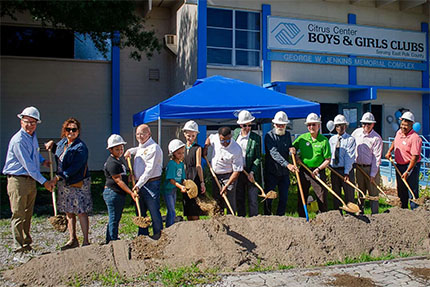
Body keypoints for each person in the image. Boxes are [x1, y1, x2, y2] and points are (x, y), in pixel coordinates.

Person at [3, 107, 55, 262]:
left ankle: (26, 244)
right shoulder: (18, 140)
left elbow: (34, 154)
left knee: (27, 213)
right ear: (21, 121)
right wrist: (45, 182)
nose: (30, 125)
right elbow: (28, 165)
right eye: (27, 122)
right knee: (18, 214)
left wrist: (42, 161)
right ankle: (18, 249)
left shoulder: (31, 136)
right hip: (18, 180)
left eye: (33, 122)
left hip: (30, 180)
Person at [45, 117, 92, 250]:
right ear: (64, 130)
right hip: (63, 182)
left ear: (78, 131)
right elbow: (60, 154)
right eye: (68, 129)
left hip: (77, 182)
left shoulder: (81, 147)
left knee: (81, 210)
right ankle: (73, 239)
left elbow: (75, 167)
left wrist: (58, 177)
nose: (71, 132)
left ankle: (86, 241)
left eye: (74, 130)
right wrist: (52, 144)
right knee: (69, 211)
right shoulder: (62, 143)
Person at [125, 124, 163, 239]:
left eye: (142, 133)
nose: (140, 136)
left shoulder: (154, 148)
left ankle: (159, 235)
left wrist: (138, 184)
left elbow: (149, 170)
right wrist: (130, 151)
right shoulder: (142, 146)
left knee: (153, 210)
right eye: (137, 134)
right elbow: (140, 149)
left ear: (149, 134)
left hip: (151, 183)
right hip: (139, 183)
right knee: (140, 211)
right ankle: (143, 235)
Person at [292, 113, 331, 217]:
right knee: (302, 195)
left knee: (321, 195)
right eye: (309, 125)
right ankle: (302, 218)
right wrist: (296, 156)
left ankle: (324, 217)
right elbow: (292, 149)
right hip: (304, 170)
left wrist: (318, 168)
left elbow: (327, 160)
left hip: (318, 171)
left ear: (318, 125)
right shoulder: (302, 138)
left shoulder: (324, 140)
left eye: (313, 124)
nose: (311, 127)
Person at [103, 134, 139, 244]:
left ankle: (111, 239)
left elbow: (122, 178)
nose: (120, 151)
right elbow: (118, 181)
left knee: (116, 217)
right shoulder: (112, 163)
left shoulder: (118, 160)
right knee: (114, 217)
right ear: (110, 150)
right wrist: (131, 192)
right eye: (117, 149)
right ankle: (112, 240)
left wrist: (129, 178)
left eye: (121, 148)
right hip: (113, 193)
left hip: (118, 193)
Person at [385, 111, 422, 210]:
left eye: (406, 125)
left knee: (412, 190)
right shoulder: (399, 132)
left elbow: (415, 157)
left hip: (411, 166)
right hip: (399, 165)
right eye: (402, 125)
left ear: (411, 125)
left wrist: (407, 171)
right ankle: (404, 211)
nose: (403, 127)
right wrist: (389, 151)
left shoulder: (415, 138)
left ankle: (415, 211)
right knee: (401, 189)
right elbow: (395, 141)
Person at [264, 111, 297, 215]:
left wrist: (292, 150)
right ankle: (267, 217)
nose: (280, 126)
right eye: (278, 124)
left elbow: (289, 147)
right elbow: (274, 153)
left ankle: (280, 217)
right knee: (269, 197)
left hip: (284, 173)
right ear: (274, 124)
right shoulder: (269, 136)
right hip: (272, 172)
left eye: (282, 125)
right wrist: (288, 165)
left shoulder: (287, 135)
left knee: (284, 197)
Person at [203, 127, 243, 215]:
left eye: (227, 140)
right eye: (222, 140)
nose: (225, 143)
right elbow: (209, 138)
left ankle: (231, 219)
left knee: (229, 198)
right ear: (219, 137)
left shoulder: (236, 149)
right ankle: (218, 219)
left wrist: (226, 185)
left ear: (231, 136)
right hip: (215, 175)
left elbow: (236, 172)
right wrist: (205, 147)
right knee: (217, 199)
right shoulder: (215, 138)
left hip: (229, 176)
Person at [351, 112, 382, 214]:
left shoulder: (376, 138)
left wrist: (373, 174)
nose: (366, 126)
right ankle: (360, 212)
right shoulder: (356, 133)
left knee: (373, 194)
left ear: (373, 124)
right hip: (359, 167)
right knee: (360, 191)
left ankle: (375, 215)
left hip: (371, 168)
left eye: (369, 124)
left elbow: (376, 158)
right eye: (364, 124)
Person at [233, 110, 261, 217]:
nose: (248, 128)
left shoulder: (256, 138)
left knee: (252, 199)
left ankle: (254, 220)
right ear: (240, 125)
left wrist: (253, 172)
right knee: (239, 197)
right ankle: (241, 220)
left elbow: (257, 158)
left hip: (250, 171)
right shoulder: (235, 134)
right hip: (238, 171)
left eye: (250, 125)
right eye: (245, 125)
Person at [329, 114, 356, 212]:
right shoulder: (332, 140)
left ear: (345, 126)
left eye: (342, 125)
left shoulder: (350, 140)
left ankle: (351, 215)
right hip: (334, 170)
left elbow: (349, 157)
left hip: (346, 171)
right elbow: (330, 154)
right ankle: (338, 215)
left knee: (349, 195)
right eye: (337, 126)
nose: (340, 128)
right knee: (336, 195)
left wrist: (346, 172)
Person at [182, 120, 205, 221]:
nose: (190, 138)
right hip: (185, 178)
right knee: (187, 206)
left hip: (194, 177)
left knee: (195, 207)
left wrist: (202, 182)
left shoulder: (197, 148)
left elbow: (198, 165)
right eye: (188, 135)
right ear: (184, 134)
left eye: (193, 136)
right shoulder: (181, 148)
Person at [163, 139, 186, 227]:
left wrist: (186, 184)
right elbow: (171, 180)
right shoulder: (172, 164)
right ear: (173, 153)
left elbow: (183, 178)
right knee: (172, 210)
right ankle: (170, 228)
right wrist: (180, 187)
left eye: (182, 153)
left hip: (174, 190)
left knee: (171, 210)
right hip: (168, 190)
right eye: (179, 153)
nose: (181, 155)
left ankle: (169, 226)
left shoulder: (181, 164)